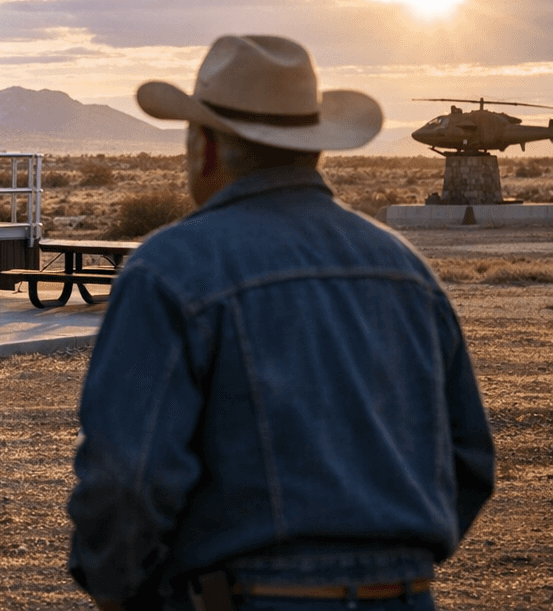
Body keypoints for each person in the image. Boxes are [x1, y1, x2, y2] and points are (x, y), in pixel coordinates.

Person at [67, 36, 495, 611]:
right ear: (314, 149)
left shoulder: (170, 270)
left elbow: (127, 475)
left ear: (205, 148)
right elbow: (468, 457)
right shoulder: (405, 270)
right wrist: (386, 570)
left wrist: (126, 592)